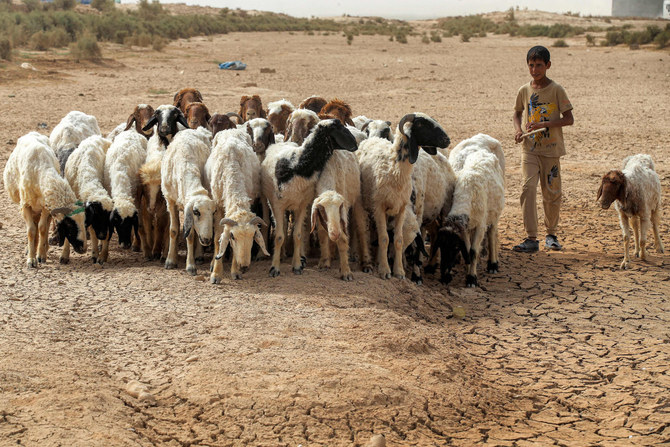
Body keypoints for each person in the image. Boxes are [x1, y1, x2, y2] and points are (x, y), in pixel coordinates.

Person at [513, 45, 574, 253]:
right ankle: (531, 238)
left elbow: (569, 119)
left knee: (551, 193)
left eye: (539, 65)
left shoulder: (556, 90)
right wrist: (518, 130)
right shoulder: (524, 90)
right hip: (529, 149)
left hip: (551, 150)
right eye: (531, 65)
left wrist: (544, 124)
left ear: (548, 65)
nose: (534, 70)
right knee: (527, 189)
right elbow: (517, 113)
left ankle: (551, 234)